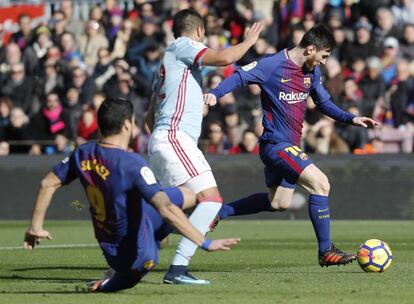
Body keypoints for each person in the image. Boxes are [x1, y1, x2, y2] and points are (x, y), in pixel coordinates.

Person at [205, 23, 380, 267]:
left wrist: (352, 118)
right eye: (323, 56)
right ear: (310, 49)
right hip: (275, 145)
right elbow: (240, 75)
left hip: (289, 146)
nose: (323, 62)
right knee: (321, 184)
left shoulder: (312, 72)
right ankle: (326, 250)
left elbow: (324, 103)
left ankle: (219, 212)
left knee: (279, 202)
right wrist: (215, 93)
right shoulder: (272, 65)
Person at [23, 97, 239, 292]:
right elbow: (166, 209)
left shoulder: (83, 153)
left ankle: (157, 234)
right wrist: (205, 243)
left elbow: (47, 183)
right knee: (150, 245)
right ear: (127, 125)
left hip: (109, 240)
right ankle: (113, 279)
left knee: (188, 195)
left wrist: (35, 227)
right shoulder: (132, 163)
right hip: (136, 253)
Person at [145, 9, 263, 284]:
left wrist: (163, 138)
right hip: (175, 138)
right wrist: (248, 42)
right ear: (199, 31)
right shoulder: (184, 45)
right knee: (211, 201)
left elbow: (148, 117)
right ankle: (177, 270)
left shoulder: (168, 63)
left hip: (164, 139)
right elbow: (224, 58)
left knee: (181, 206)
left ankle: (138, 245)